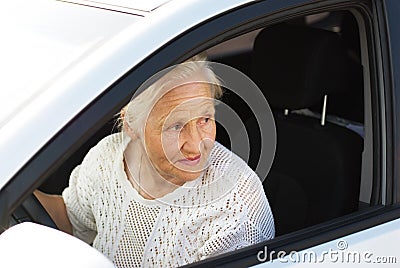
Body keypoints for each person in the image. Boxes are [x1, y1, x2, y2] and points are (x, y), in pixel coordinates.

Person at [35, 55, 275, 267]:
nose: (196, 145)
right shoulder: (107, 157)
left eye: (204, 119)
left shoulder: (236, 204)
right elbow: (71, 218)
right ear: (130, 124)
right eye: (175, 125)